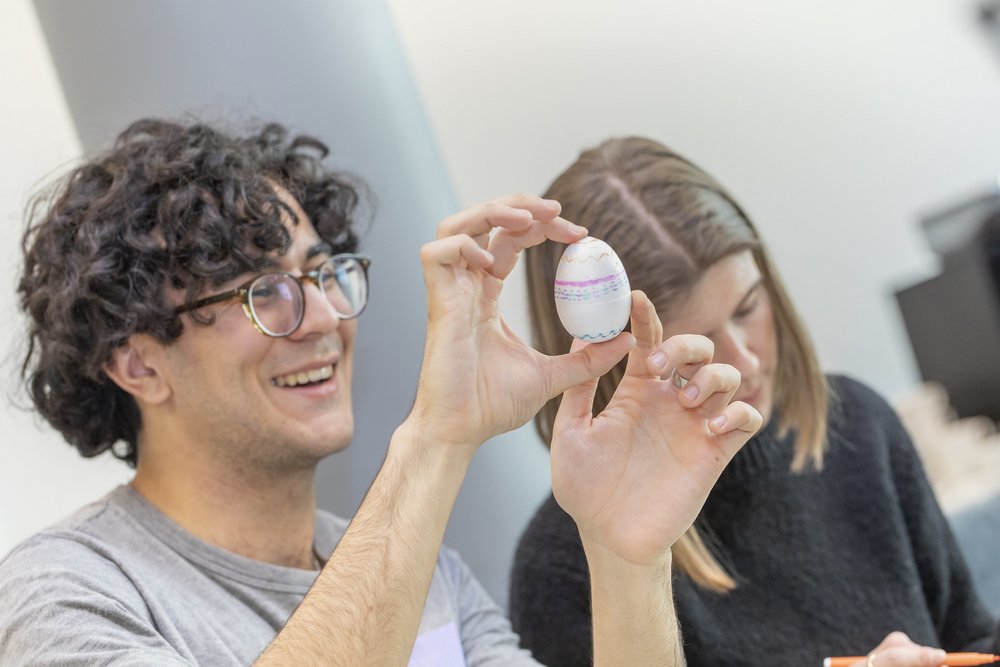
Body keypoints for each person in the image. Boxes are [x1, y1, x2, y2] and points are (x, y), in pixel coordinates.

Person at [0, 119, 762, 666]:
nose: (327, 316)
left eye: (322, 273)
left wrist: (627, 555)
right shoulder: (68, 593)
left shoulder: (432, 579)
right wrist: (437, 433)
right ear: (137, 364)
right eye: (264, 292)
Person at [511, 136, 1000, 667]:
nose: (743, 362)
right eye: (697, 345)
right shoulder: (562, 570)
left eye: (748, 307)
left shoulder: (859, 424)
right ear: (611, 371)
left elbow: (971, 643)